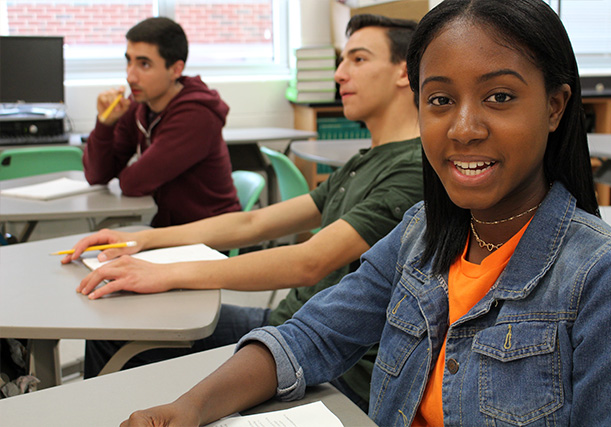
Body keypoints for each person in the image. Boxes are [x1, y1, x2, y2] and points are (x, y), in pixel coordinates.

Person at [120, 0, 611, 426]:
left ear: (554, 106)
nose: (462, 128)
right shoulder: (421, 233)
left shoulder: (607, 279)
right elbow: (313, 335)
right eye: (439, 100)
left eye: (499, 96)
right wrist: (187, 409)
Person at [64, 14, 422, 408]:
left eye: (357, 59)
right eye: (342, 60)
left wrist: (163, 274)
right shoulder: (366, 160)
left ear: (404, 73)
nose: (339, 74)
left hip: (326, 356)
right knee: (115, 324)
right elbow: (254, 221)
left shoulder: (409, 171)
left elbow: (309, 262)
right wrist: (142, 239)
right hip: (289, 323)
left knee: (120, 332)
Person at [83, 17, 241, 227]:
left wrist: (128, 171)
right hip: (171, 230)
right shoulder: (138, 104)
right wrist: (105, 124)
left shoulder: (196, 116)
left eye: (144, 64)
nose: (130, 76)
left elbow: (133, 183)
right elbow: (97, 175)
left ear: (176, 69)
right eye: (129, 61)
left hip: (211, 235)